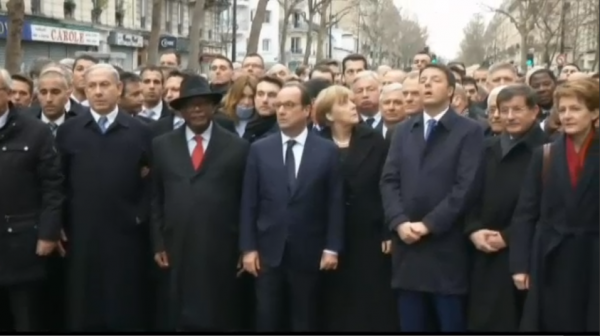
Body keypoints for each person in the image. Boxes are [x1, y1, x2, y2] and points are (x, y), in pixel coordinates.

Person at [380, 64, 484, 332]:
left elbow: (466, 186)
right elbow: (389, 180)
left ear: (450, 90)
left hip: (445, 247)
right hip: (407, 248)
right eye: (423, 80)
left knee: (449, 323)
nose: (426, 85)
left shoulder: (469, 131)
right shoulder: (403, 130)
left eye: (434, 80)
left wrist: (428, 224)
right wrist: (399, 221)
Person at [239, 83, 344, 332]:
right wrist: (248, 248)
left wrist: (332, 247)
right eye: (278, 106)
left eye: (289, 105)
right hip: (267, 252)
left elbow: (335, 202)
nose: (282, 111)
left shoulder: (327, 151)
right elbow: (249, 202)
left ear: (307, 110)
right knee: (267, 319)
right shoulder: (259, 149)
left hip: (309, 252)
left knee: (304, 319)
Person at [56, 64, 153, 331]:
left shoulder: (141, 131)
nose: (98, 92)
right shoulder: (69, 132)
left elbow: (152, 183)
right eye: (92, 86)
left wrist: (138, 216)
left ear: (119, 88)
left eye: (105, 85)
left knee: (123, 304)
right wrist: (60, 223)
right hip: (81, 234)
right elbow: (58, 182)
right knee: (83, 304)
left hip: (126, 235)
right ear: (84, 91)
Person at [150, 75, 249, 331]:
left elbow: (245, 201)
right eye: (190, 105)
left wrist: (244, 246)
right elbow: (155, 197)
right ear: (181, 110)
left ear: (214, 106)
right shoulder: (161, 145)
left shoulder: (237, 147)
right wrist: (158, 242)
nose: (196, 109)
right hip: (175, 246)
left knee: (218, 313)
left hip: (221, 247)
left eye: (203, 103)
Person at [510, 78, 599, 333]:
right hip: (550, 257)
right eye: (563, 109)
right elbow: (526, 213)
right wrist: (520, 265)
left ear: (594, 112)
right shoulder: (546, 154)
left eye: (576, 109)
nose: (567, 115)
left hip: (592, 260)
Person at [465, 85, 549, 332]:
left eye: (517, 110)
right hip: (481, 250)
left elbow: (545, 207)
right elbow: (470, 195)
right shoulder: (486, 147)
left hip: (523, 254)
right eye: (504, 110)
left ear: (535, 112)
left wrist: (508, 237)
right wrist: (473, 230)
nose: (510, 116)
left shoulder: (547, 151)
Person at [314, 85, 397, 331]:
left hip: (368, 233)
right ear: (329, 115)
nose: (354, 105)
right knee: (333, 298)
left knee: (369, 298)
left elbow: (387, 184)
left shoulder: (374, 140)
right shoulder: (316, 143)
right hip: (328, 234)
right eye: (345, 102)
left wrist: (387, 229)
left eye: (353, 101)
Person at [0, 68, 63, 331]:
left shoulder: (34, 130)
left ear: (6, 94)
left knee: (26, 318)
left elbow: (52, 185)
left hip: (22, 243)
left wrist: (48, 234)